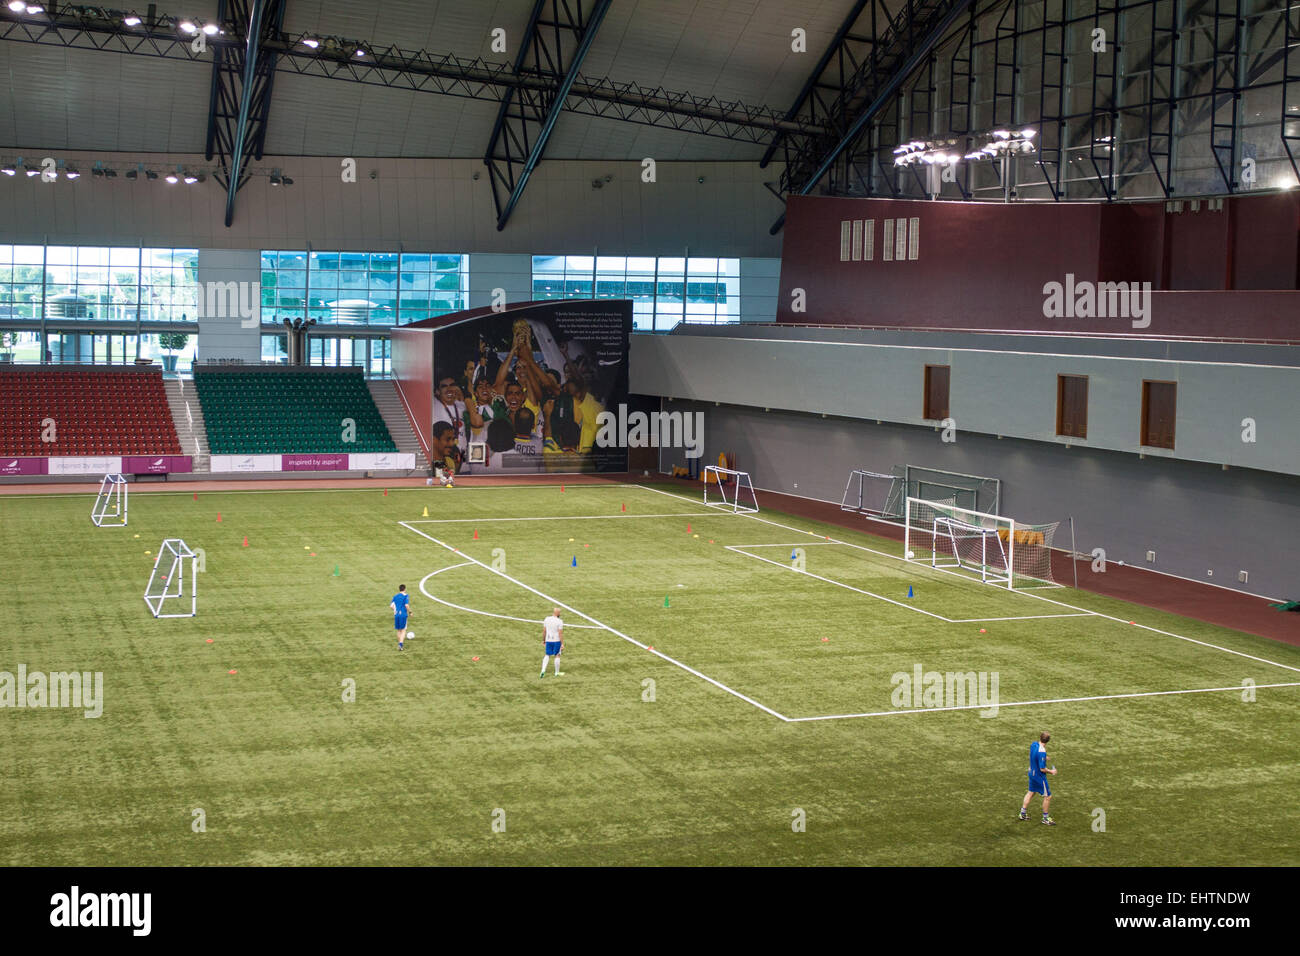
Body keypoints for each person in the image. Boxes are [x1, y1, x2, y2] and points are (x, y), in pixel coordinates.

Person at [1019, 731, 1058, 825]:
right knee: (1048, 796)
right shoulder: (1042, 752)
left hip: (1031, 772)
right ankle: (1045, 818)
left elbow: (1034, 755)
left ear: (1040, 738)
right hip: (1038, 776)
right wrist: (1051, 771)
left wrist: (1044, 757)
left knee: (1031, 792)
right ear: (1048, 741)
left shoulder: (1034, 744)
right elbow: (1042, 769)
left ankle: (1022, 813)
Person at [429, 420, 461, 485]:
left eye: (453, 439)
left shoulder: (450, 462)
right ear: (434, 439)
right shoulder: (431, 462)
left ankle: (447, 481)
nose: (452, 444)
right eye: (448, 439)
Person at [539, 607, 564, 678]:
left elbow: (544, 631)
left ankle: (543, 670)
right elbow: (560, 633)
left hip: (548, 640)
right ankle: (556, 672)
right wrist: (562, 643)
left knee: (547, 654)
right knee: (557, 655)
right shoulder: (559, 621)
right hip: (556, 640)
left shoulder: (547, 619)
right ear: (558, 613)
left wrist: (543, 640)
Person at [391, 584, 411, 651]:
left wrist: (396, 611)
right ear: (404, 589)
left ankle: (399, 644)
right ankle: (400, 644)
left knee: (398, 630)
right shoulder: (405, 595)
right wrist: (410, 612)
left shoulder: (395, 596)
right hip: (403, 615)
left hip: (396, 615)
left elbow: (391, 606)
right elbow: (406, 605)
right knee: (403, 630)